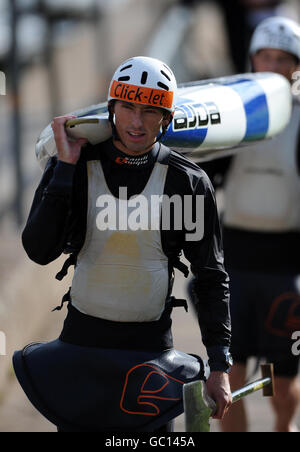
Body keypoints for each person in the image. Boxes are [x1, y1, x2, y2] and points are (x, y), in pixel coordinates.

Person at [14, 56, 232, 432]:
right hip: (80, 347)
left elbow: (211, 277)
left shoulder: (188, 182)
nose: (136, 122)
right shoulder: (74, 165)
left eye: (150, 111)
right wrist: (65, 168)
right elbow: (39, 249)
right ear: (111, 107)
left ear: (167, 119)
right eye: (127, 106)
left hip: (151, 356)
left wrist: (220, 366)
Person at [191, 17, 300, 432]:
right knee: (229, 377)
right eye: (265, 57)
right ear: (252, 60)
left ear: (296, 67)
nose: (273, 66)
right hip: (232, 261)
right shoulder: (232, 116)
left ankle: (282, 428)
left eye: (283, 59)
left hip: (287, 268)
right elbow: (199, 171)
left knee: (280, 377)